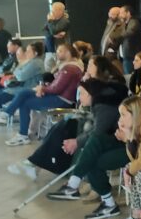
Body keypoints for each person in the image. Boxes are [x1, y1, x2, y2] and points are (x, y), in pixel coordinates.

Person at [33, 58, 128, 188]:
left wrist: (77, 141)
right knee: (65, 126)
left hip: (111, 133)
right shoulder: (99, 89)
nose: (87, 67)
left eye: (90, 64)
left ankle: (76, 177)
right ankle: (69, 172)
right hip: (98, 122)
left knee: (77, 129)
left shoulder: (107, 93)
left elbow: (101, 127)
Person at [3, 43, 84, 146]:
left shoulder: (70, 69)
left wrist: (43, 88)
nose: (57, 53)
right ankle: (11, 117)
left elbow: (57, 89)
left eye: (60, 51)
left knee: (25, 102)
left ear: (68, 53)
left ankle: (17, 127)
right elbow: (56, 86)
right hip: (58, 96)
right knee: (24, 93)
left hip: (62, 100)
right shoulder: (68, 67)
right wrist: (44, 88)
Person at [118, 5, 141, 74]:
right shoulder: (125, 24)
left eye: (122, 13)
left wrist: (118, 36)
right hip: (127, 56)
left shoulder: (134, 22)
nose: (120, 15)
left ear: (128, 13)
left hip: (131, 56)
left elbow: (130, 32)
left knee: (131, 76)